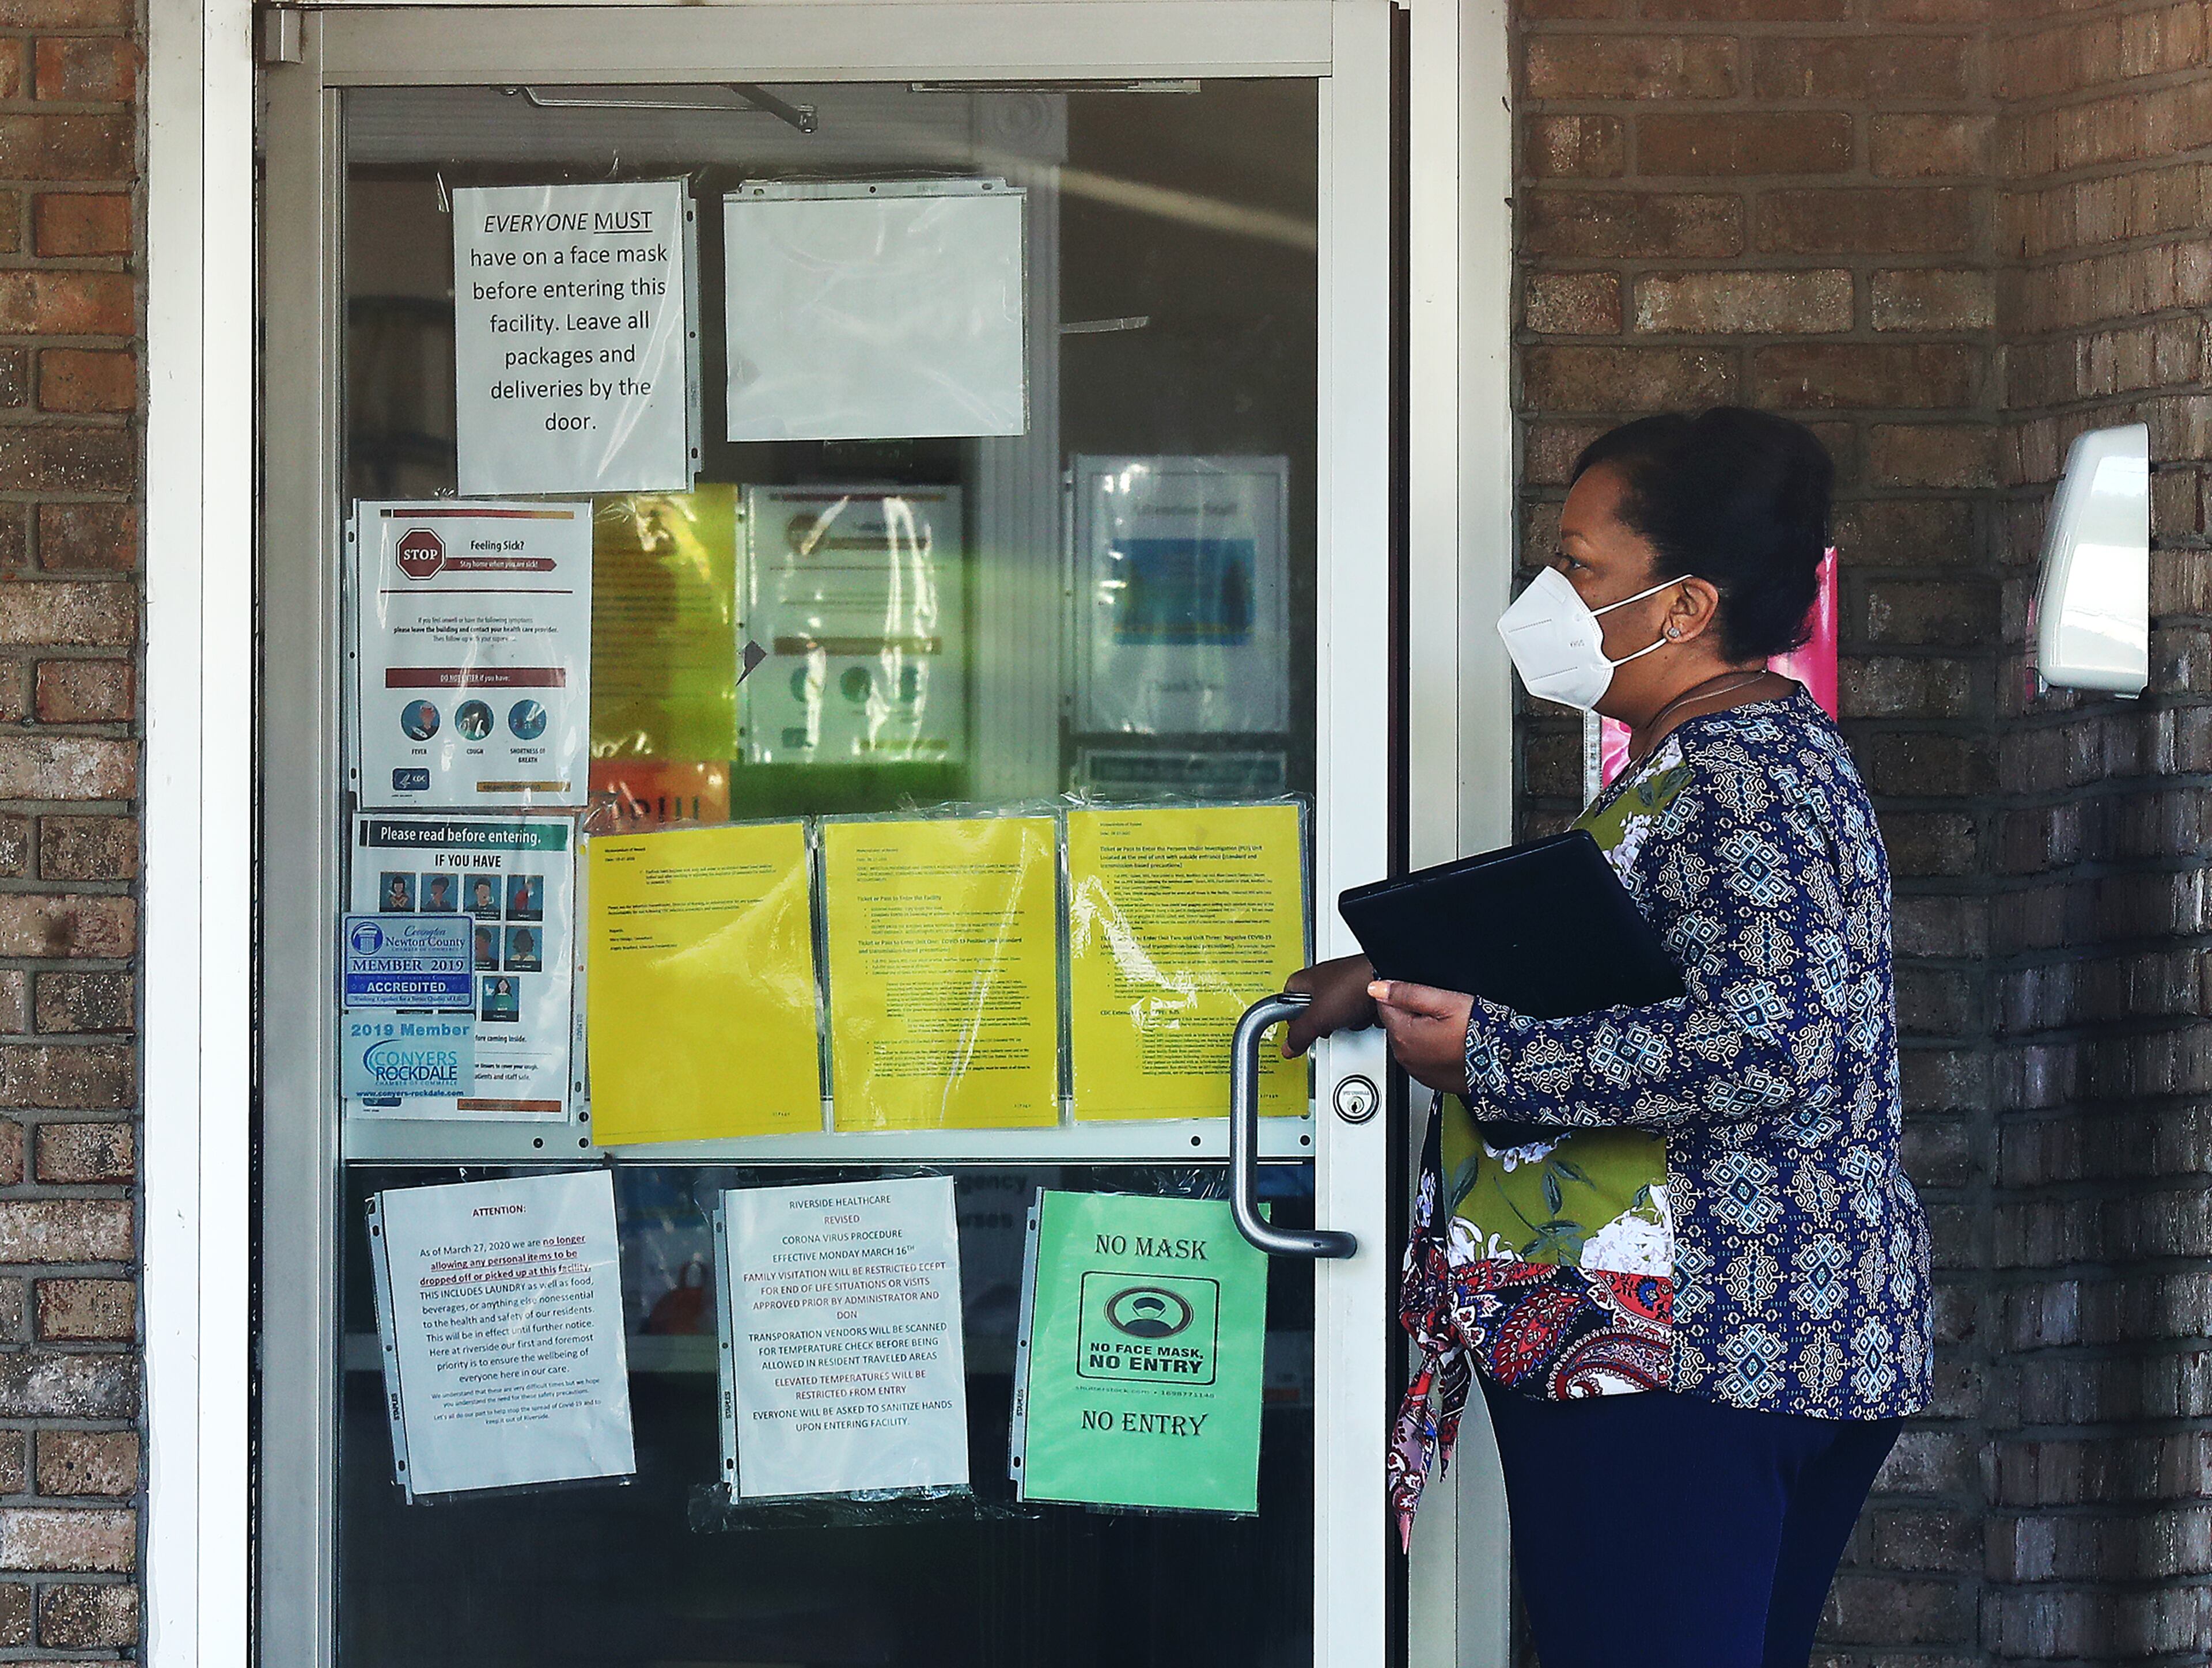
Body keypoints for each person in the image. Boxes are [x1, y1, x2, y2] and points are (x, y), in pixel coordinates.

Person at [1286, 408, 1931, 1668]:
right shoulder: (1716, 761)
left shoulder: (1744, 770)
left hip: (1695, 1342)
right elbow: (1635, 976)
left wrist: (1488, 1055)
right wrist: (1407, 972)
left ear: (1685, 604)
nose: (1552, 594)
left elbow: (1768, 1037)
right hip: (1724, 1332)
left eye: (1581, 567)